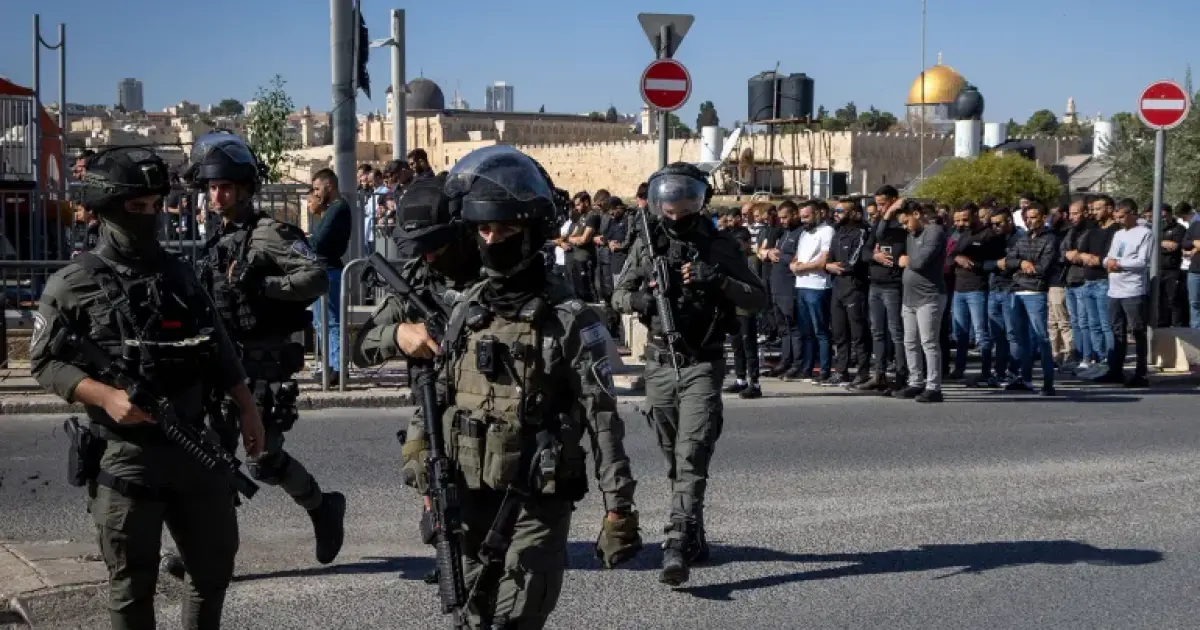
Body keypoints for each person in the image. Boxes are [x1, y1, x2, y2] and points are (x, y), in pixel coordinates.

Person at [404, 145, 642, 628]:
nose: (494, 239)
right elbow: (436, 393)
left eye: (507, 229)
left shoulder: (570, 319)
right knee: (467, 615)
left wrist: (618, 509)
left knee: (520, 616)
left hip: (536, 493)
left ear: (532, 232)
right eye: (485, 229)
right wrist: (421, 463)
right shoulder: (466, 307)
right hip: (466, 488)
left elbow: (603, 420)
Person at [29, 146, 266, 630]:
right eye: (138, 208)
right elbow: (45, 362)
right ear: (106, 212)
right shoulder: (73, 283)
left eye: (156, 206)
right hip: (126, 456)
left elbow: (217, 344)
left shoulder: (178, 273)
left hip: (195, 447)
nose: (150, 217)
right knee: (133, 585)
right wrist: (103, 396)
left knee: (212, 569)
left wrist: (246, 405)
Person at [187, 132, 346, 567]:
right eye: (211, 188)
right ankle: (208, 551)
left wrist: (265, 285)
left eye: (224, 188)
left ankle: (322, 507)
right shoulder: (217, 240)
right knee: (212, 456)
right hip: (222, 364)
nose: (216, 196)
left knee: (263, 459)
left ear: (244, 190)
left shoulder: (269, 235)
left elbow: (314, 275)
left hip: (264, 365)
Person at [613, 162, 766, 586]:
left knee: (693, 448)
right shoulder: (647, 244)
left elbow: (756, 300)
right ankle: (693, 526)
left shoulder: (720, 246)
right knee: (672, 452)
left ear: (700, 201)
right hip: (660, 363)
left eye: (684, 199)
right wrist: (642, 300)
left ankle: (677, 538)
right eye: (669, 198)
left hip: (702, 361)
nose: (676, 209)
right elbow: (618, 294)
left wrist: (715, 280)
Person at [308, 169, 353, 385]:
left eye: (317, 188)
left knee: (331, 322)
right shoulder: (331, 210)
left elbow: (318, 242)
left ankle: (337, 368)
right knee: (320, 322)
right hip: (323, 269)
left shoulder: (337, 209)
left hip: (329, 270)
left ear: (329, 186)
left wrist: (317, 214)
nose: (315, 194)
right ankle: (331, 365)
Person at [824, 198, 871, 387]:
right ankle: (841, 371)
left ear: (853, 213)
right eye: (835, 211)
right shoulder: (837, 233)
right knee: (839, 332)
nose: (836, 214)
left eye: (841, 211)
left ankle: (863, 372)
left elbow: (854, 261)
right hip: (837, 287)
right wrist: (828, 266)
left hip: (854, 287)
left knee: (858, 333)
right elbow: (828, 259)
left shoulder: (861, 232)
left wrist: (836, 267)